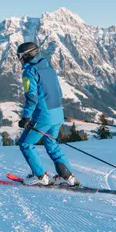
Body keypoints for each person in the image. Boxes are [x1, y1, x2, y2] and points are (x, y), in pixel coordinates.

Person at [16, 42, 80, 186]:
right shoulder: (49, 68)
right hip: (57, 113)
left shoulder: (29, 72)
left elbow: (31, 97)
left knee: (25, 143)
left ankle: (40, 176)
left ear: (27, 55)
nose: (18, 59)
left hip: (43, 116)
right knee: (51, 143)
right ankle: (68, 177)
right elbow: (58, 91)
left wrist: (26, 117)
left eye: (19, 55)